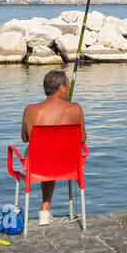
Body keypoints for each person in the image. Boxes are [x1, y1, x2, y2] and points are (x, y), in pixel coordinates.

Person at [21, 70, 86, 226]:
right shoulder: (76, 108)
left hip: (38, 166)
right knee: (55, 153)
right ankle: (46, 209)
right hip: (69, 165)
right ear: (61, 88)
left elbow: (24, 138)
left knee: (44, 153)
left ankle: (45, 210)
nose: (68, 90)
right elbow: (82, 138)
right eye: (68, 86)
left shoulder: (30, 110)